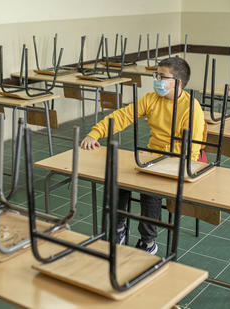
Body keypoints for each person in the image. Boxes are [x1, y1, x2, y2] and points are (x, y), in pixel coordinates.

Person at [81, 57, 205, 254]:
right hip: (150, 159)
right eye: (156, 75)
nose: (157, 80)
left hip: (175, 162)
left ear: (178, 82)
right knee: (118, 179)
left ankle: (148, 242)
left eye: (161, 77)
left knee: (149, 191)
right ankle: (119, 229)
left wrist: (157, 154)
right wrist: (94, 133)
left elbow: (191, 152)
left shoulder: (192, 109)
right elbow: (123, 116)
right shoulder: (152, 99)